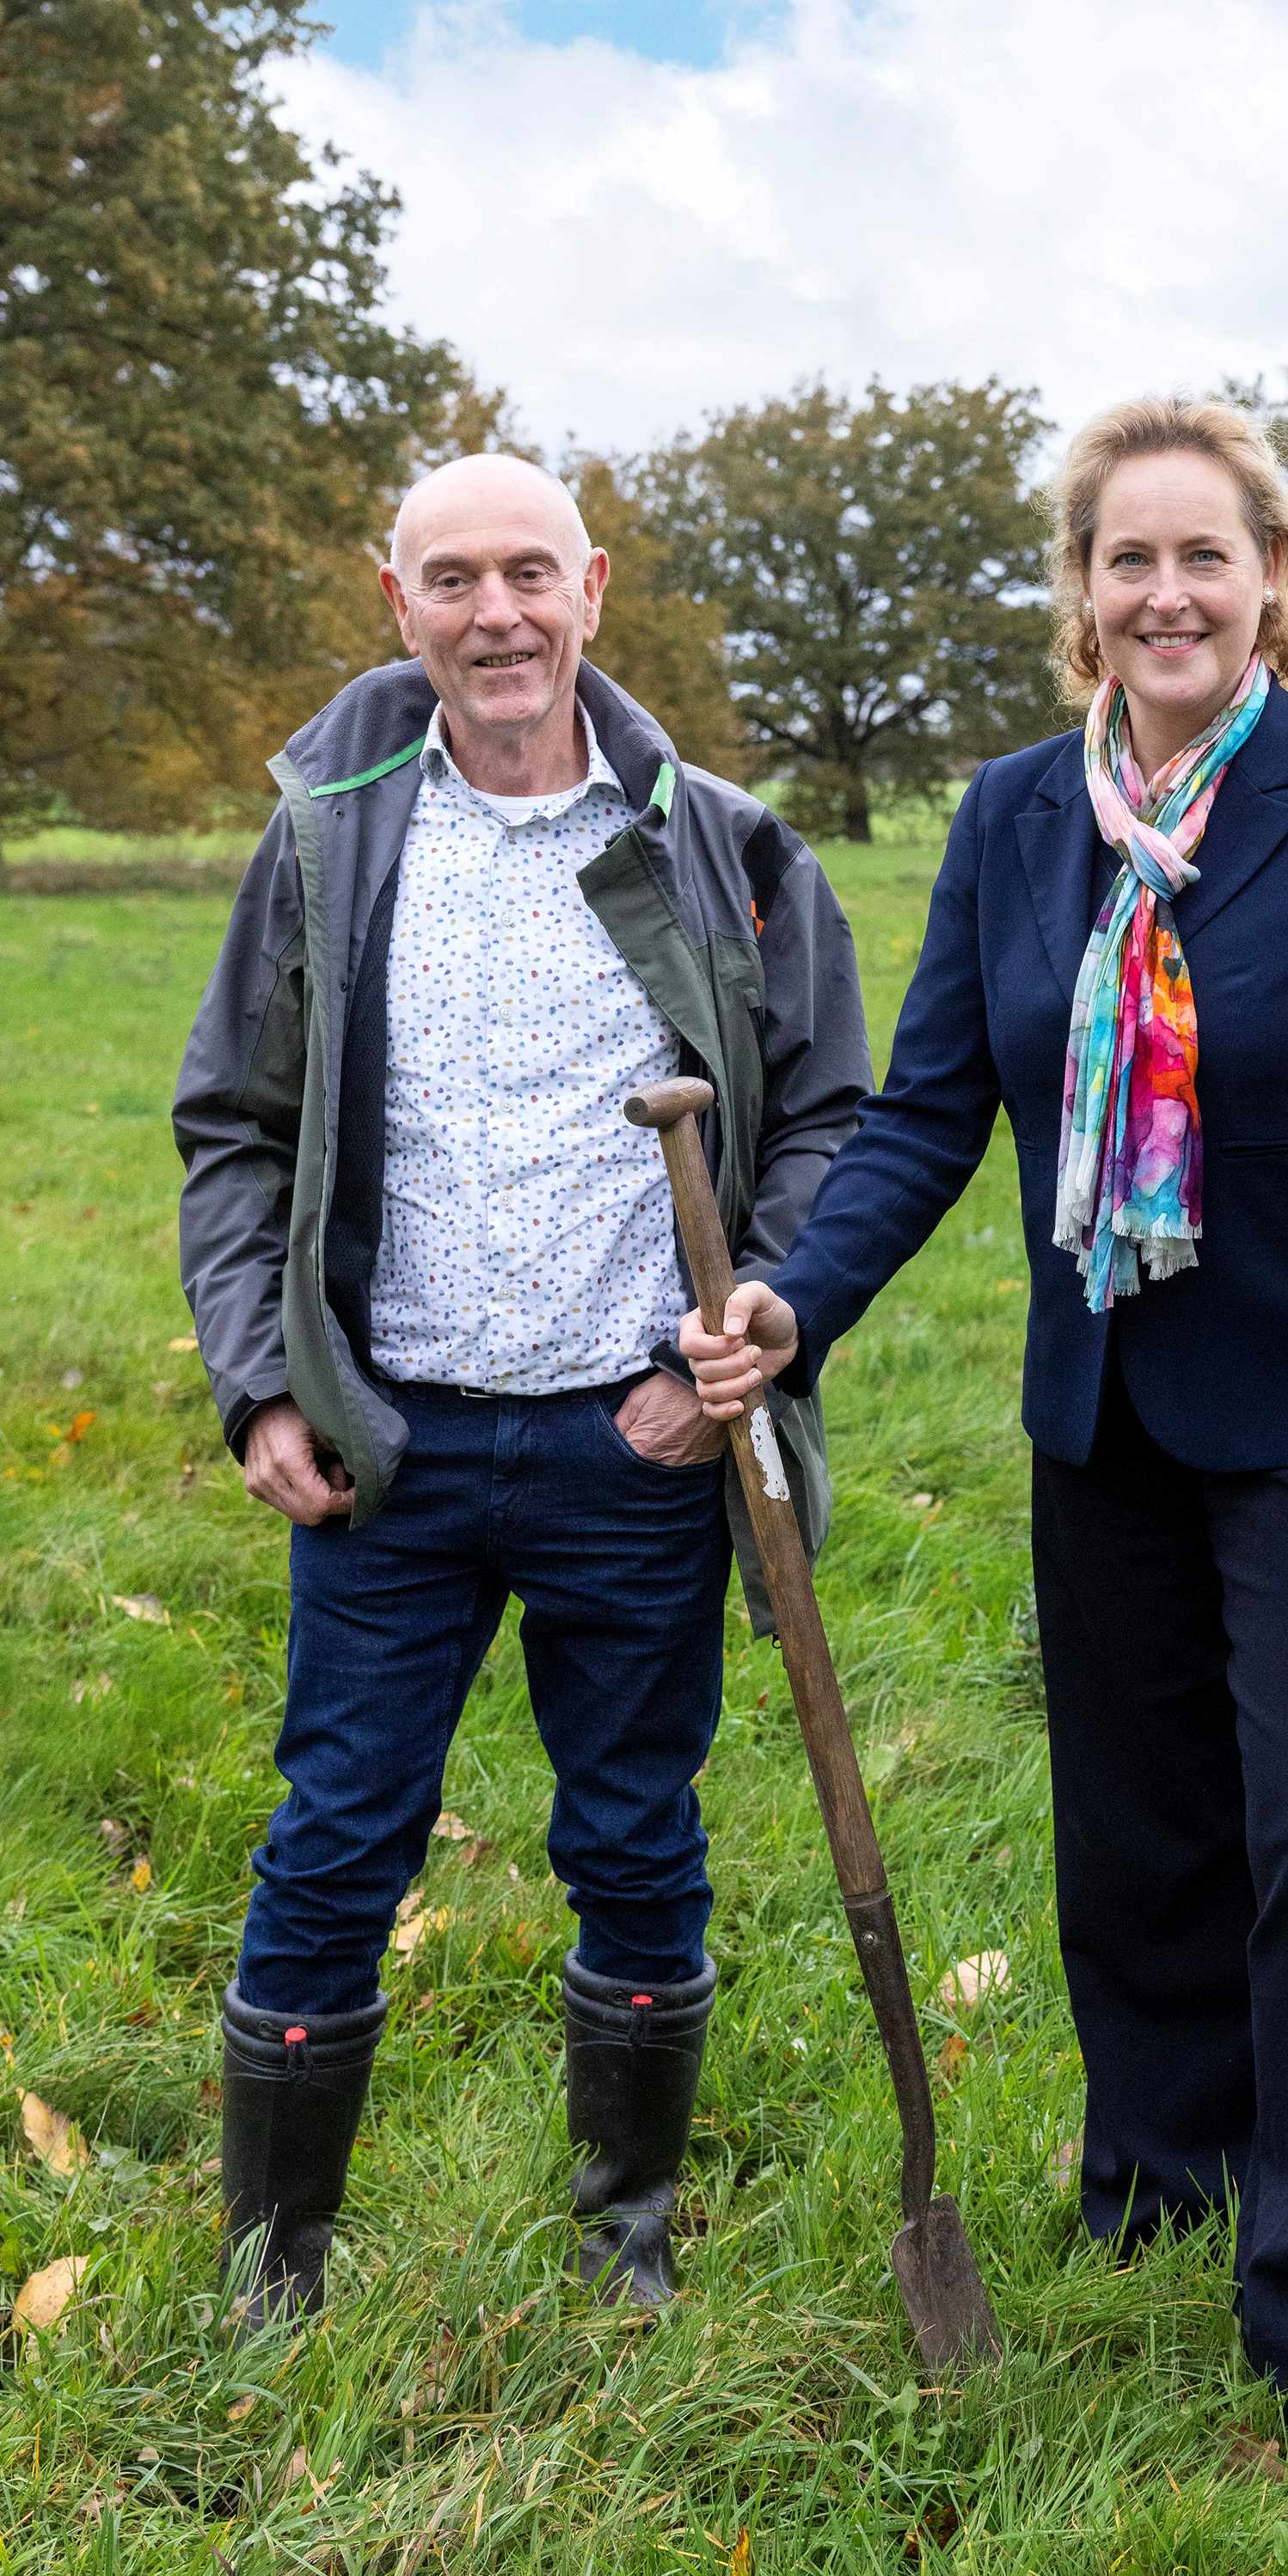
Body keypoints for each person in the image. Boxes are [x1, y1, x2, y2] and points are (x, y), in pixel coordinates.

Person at [680, 395, 1288, 2484]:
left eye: (1202, 556)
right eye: (1126, 560)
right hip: (1105, 1399)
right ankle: (1158, 2181)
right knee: (1135, 1825)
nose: (1166, 593)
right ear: (1082, 596)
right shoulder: (1016, 819)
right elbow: (932, 1105)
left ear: (1268, 580)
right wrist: (794, 1303)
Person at [173, 453, 870, 2321]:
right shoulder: (328, 839)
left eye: (530, 575)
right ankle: (275, 2259)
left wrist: (744, 1333)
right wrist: (265, 1385)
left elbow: (822, 1121)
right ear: (395, 598)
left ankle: (624, 2228)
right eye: (454, 578)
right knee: (333, 1834)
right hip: (383, 1444)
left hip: (630, 1442)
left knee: (637, 1830)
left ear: (594, 587)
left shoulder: (718, 842)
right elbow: (234, 1130)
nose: (498, 614)